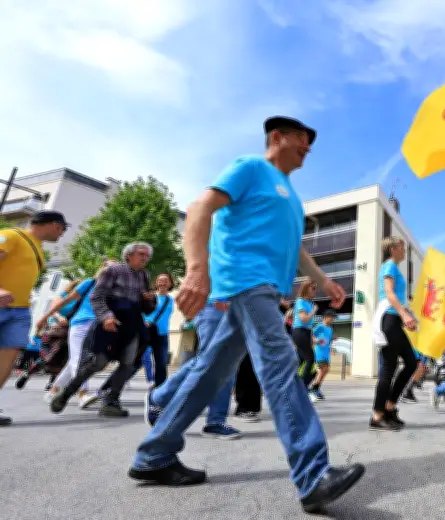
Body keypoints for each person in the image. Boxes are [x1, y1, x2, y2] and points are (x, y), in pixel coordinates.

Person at [131, 115, 364, 513]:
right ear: (277, 137)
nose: (308, 147)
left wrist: (324, 280)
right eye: (301, 138)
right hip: (245, 281)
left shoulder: (290, 195)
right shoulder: (251, 168)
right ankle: (313, 475)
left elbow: (296, 247)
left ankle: (154, 455)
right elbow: (200, 207)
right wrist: (197, 270)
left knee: (212, 371)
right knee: (280, 363)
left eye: (310, 142)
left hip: (265, 288)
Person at [50, 243, 156, 417]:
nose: (145, 257)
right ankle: (67, 393)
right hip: (110, 324)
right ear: (129, 255)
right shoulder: (113, 271)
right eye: (141, 254)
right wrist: (106, 317)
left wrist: (149, 300)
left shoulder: (144, 275)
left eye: (147, 255)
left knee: (128, 363)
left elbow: (147, 308)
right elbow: (96, 297)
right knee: (97, 363)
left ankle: (111, 401)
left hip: (132, 326)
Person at [0, 210, 67, 426]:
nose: (61, 234)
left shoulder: (38, 248)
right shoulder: (12, 235)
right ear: (55, 225)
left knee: (9, 357)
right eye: (62, 229)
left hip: (20, 310)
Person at [144, 298, 243, 440]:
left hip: (239, 307)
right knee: (210, 359)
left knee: (227, 361)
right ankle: (159, 397)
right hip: (217, 303)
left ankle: (216, 421)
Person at [38, 259, 118, 407]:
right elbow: (65, 301)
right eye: (109, 266)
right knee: (80, 360)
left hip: (98, 327)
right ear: (102, 268)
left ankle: (52, 392)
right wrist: (45, 317)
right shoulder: (89, 283)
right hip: (80, 324)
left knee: (73, 362)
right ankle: (83, 394)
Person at [370, 236, 418, 431]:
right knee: (388, 369)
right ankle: (377, 415)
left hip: (395, 320)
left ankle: (389, 407)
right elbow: (389, 293)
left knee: (411, 363)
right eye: (401, 247)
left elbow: (398, 298)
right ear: (392, 249)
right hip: (388, 320)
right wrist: (404, 315)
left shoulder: (395, 268)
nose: (404, 250)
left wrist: (408, 315)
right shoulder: (389, 266)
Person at [139, 273, 176, 387]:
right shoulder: (151, 296)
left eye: (165, 281)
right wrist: (144, 322)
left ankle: (160, 389)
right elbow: (142, 312)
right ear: (156, 283)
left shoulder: (170, 300)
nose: (162, 283)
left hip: (162, 334)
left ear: (170, 284)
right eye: (160, 280)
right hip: (148, 332)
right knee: (136, 361)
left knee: (161, 364)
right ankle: (113, 386)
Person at [293, 280, 318, 392]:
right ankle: (302, 386)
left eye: (315, 288)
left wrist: (312, 337)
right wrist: (313, 311)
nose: (315, 290)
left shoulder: (310, 303)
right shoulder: (300, 301)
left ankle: (290, 382)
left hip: (306, 333)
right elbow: (304, 319)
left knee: (301, 359)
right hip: (299, 331)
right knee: (310, 359)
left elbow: (310, 324)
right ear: (306, 288)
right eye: (313, 288)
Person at [309, 309, 335, 401]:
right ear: (326, 317)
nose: (333, 319)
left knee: (326, 370)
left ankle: (316, 388)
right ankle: (313, 389)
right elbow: (311, 335)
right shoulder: (319, 326)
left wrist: (331, 349)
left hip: (326, 352)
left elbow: (329, 340)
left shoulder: (330, 328)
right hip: (319, 352)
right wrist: (316, 340)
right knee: (321, 370)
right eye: (331, 317)